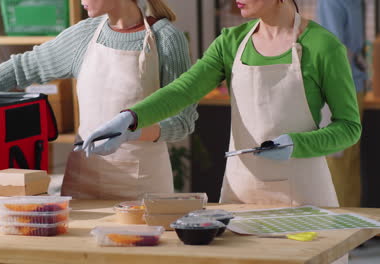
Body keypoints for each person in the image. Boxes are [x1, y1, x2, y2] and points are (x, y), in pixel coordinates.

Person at [80, 0, 361, 208]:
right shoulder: (231, 42)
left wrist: (297, 144)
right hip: (241, 196)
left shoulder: (323, 47)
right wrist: (130, 118)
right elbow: (183, 90)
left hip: (305, 200)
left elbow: (349, 128)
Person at [0, 0, 197, 199]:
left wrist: (131, 132)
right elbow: (24, 66)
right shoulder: (85, 35)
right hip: (83, 184)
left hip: (142, 187)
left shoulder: (166, 39)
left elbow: (182, 121)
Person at [317, 0, 367, 207]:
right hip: (355, 86)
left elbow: (333, 48)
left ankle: (340, 222)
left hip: (339, 87)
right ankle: (351, 219)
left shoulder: (331, 2)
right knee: (346, 158)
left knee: (336, 158)